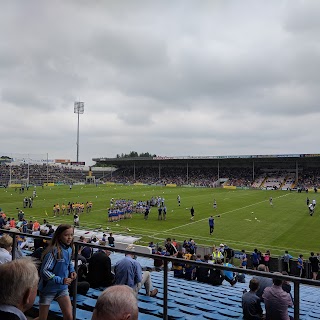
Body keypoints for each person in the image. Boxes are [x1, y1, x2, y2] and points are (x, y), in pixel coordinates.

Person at [36, 224, 77, 320]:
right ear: (59, 236)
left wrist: (72, 270)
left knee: (69, 317)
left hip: (62, 288)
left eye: (71, 235)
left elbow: (69, 262)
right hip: (48, 290)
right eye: (66, 235)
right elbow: (44, 271)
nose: (69, 238)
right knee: (42, 318)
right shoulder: (53, 251)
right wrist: (61, 280)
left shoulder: (69, 249)